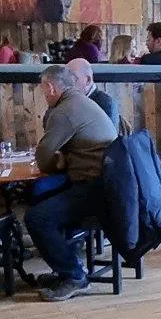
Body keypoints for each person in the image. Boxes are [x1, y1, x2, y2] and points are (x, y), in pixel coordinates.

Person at [24, 65, 118, 301]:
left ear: (50, 87)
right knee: (42, 198)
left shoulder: (64, 110)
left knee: (37, 217)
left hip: (95, 187)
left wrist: (58, 162)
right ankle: (65, 269)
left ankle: (74, 276)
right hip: (109, 183)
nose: (44, 95)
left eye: (43, 90)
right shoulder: (81, 101)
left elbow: (44, 157)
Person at [65, 58, 122, 131]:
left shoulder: (105, 104)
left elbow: (109, 140)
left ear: (88, 80)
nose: (66, 84)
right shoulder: (68, 100)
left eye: (72, 79)